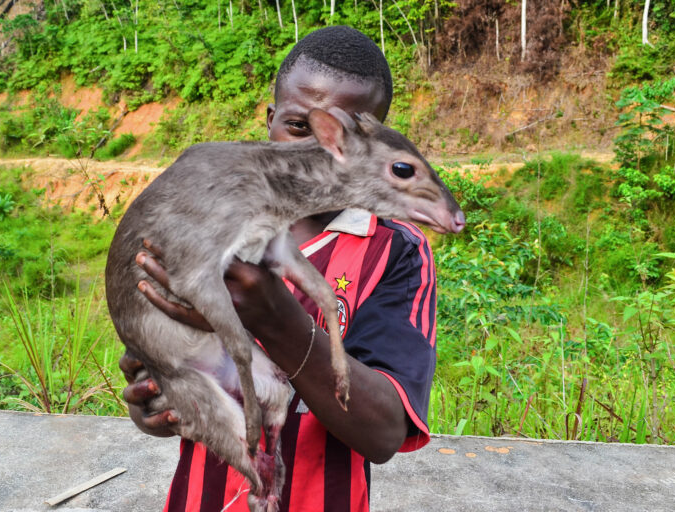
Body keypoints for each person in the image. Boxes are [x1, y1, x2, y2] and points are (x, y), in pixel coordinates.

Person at [119, 26, 438, 511]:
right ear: (270, 120)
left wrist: (275, 318)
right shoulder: (203, 216)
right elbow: (170, 367)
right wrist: (154, 400)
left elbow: (385, 433)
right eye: (297, 126)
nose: (319, 154)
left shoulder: (394, 251)